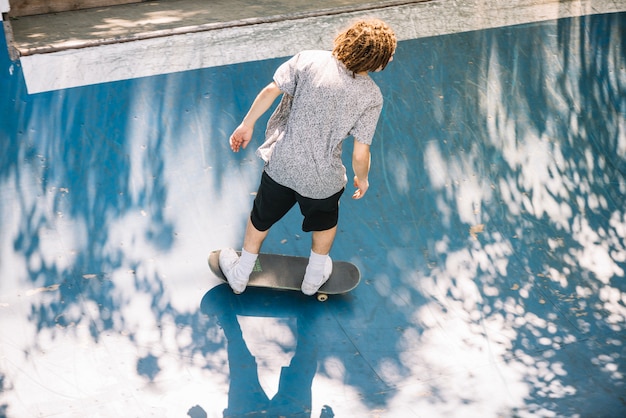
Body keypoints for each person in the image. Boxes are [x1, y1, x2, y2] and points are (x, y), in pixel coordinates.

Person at [219, 18, 397, 295]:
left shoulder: (309, 60)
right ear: (379, 62)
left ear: (346, 40)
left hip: (282, 165)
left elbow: (270, 90)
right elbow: (361, 151)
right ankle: (313, 280)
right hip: (323, 179)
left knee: (260, 217)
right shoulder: (372, 96)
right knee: (325, 222)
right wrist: (363, 179)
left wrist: (246, 124)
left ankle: (242, 274)